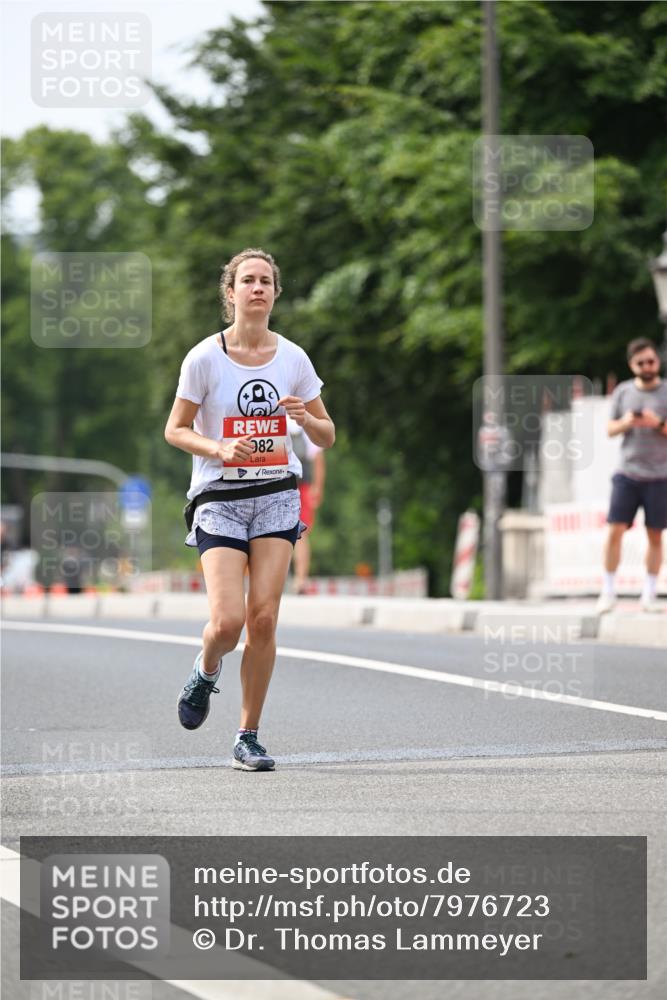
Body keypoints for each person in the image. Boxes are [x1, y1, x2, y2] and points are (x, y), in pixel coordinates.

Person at [164, 249, 335, 770]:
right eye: (248, 281)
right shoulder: (204, 358)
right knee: (228, 621)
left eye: (266, 281)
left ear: (275, 294)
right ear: (231, 293)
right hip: (220, 499)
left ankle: (248, 735)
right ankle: (206, 669)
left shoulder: (294, 359)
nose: (257, 288)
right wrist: (217, 448)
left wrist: (306, 417)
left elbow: (328, 435)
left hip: (277, 495)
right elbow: (175, 429)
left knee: (263, 620)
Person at [597, 337, 667, 613]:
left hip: (660, 475)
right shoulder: (623, 393)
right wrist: (626, 422)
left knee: (655, 535)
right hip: (627, 472)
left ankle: (649, 593)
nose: (647, 366)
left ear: (657, 361)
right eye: (641, 363)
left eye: (651, 361)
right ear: (632, 365)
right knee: (614, 530)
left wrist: (657, 423)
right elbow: (609, 429)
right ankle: (608, 590)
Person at [287, 415, 326, 593]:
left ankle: (300, 579)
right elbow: (317, 459)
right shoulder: (304, 422)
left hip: (293, 485)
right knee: (300, 535)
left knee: (299, 534)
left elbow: (317, 458)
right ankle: (300, 579)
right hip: (301, 485)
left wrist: (316, 488)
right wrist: (317, 488)